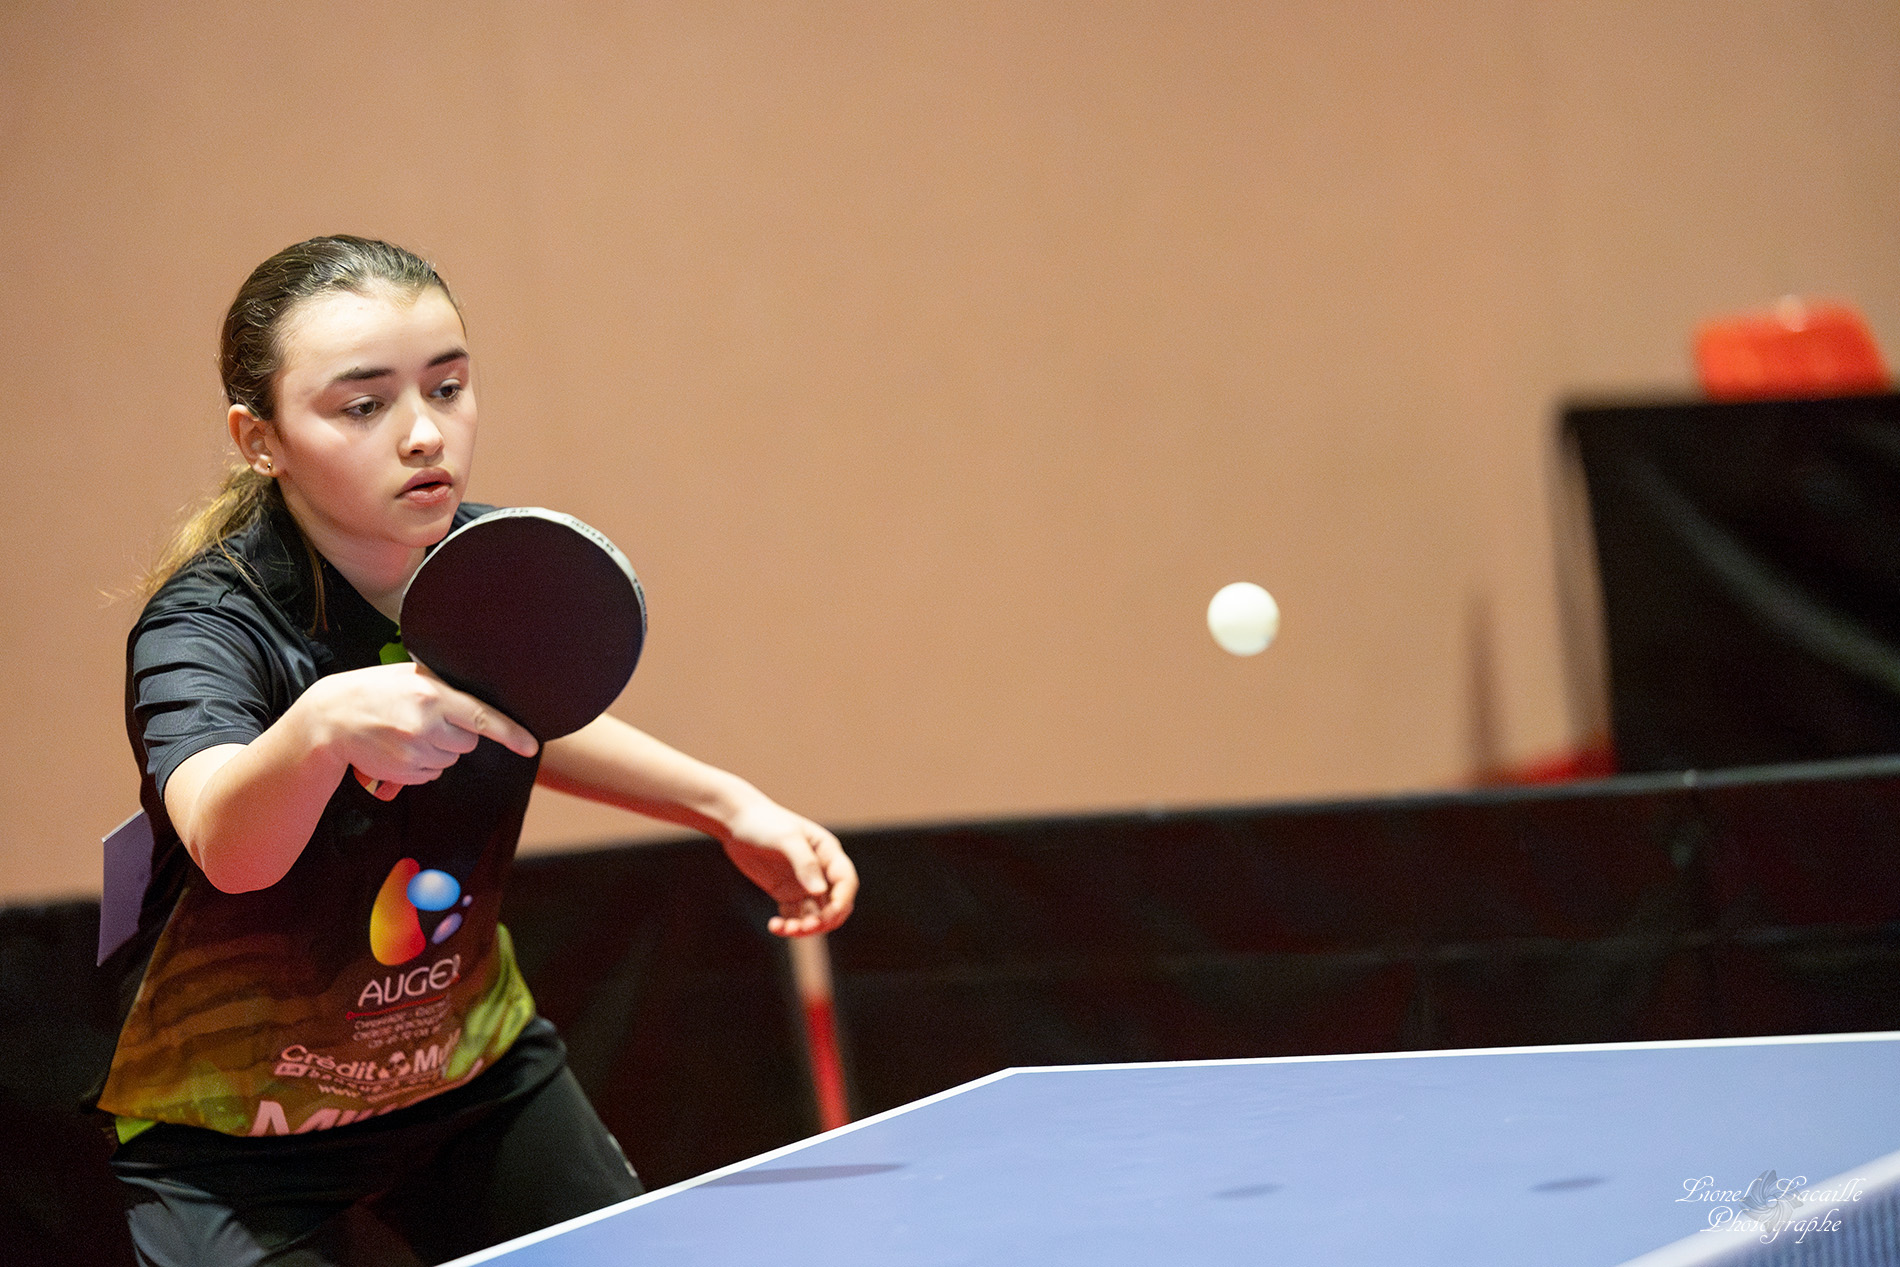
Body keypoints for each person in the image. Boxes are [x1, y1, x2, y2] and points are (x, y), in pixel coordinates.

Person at [96, 235, 858, 1266]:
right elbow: (228, 845)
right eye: (363, 405)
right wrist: (319, 728)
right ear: (259, 438)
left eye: (447, 387)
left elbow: (527, 719)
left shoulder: (493, 563)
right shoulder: (205, 627)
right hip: (233, 1122)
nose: (424, 433)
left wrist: (728, 805)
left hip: (466, 1068)